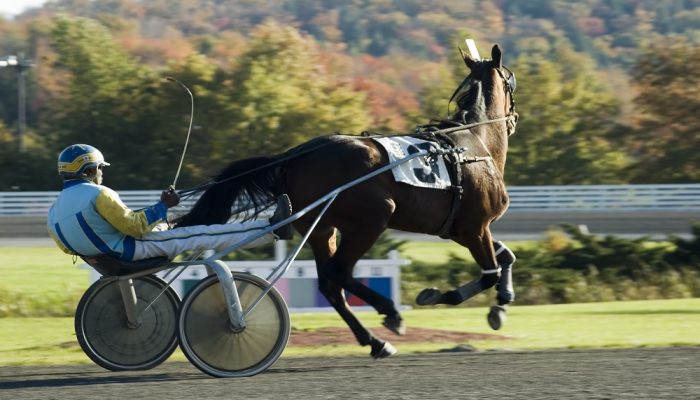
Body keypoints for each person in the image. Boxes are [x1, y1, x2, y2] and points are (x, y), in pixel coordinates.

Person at [47, 144, 293, 262]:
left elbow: (69, 248)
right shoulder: (99, 194)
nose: (102, 173)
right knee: (200, 234)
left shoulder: (54, 211)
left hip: (108, 258)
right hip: (130, 250)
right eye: (100, 168)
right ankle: (270, 230)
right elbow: (134, 227)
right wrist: (163, 206)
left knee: (177, 230)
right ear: (89, 170)